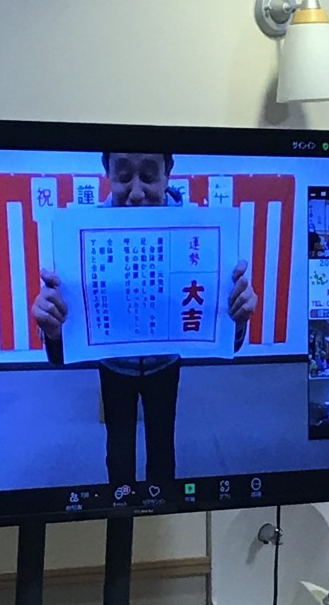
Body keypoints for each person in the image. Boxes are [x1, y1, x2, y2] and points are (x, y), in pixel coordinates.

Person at [32, 152, 258, 487]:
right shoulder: (83, 232)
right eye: (123, 176)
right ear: (107, 172)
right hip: (113, 365)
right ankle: (119, 507)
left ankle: (163, 505)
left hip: (165, 364)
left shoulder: (197, 231)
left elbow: (228, 339)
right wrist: (52, 331)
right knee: (118, 448)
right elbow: (62, 348)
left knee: (162, 445)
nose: (136, 192)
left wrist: (237, 320)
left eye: (149, 176)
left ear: (168, 173)